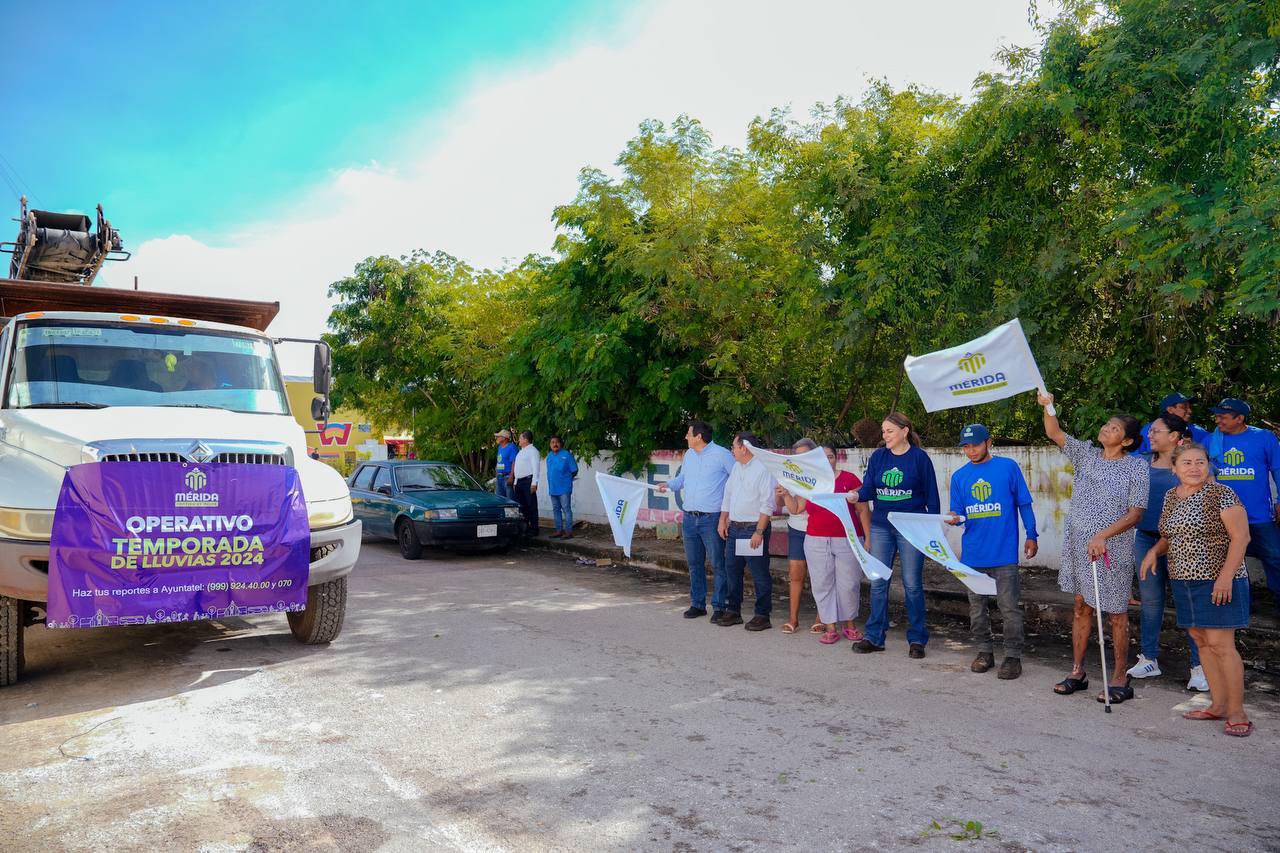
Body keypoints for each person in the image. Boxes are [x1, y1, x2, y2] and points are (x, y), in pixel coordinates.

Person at [1038, 391, 1148, 704]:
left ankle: (1119, 677)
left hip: (1113, 549)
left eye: (1115, 429)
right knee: (1080, 606)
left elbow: (1136, 513)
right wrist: (1048, 405)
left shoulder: (1136, 468)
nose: (1106, 429)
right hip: (1078, 545)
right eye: (1107, 425)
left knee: (1116, 613)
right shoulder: (1086, 454)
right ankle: (1077, 672)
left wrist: (1103, 535)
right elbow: (1054, 432)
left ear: (1127, 441)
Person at [1142, 442, 1254, 736]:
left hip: (1218, 580)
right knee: (1201, 641)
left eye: (1200, 462)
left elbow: (1241, 537)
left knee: (1221, 645)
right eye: (1187, 463)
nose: (1194, 468)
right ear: (1174, 468)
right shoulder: (1171, 496)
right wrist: (1154, 551)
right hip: (1183, 579)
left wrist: (1225, 578)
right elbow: (1169, 536)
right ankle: (1218, 705)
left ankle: (1238, 712)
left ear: (1208, 465)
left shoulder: (1221, 494)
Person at [946, 424, 1038, 680]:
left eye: (975, 445)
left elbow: (1024, 504)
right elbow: (959, 514)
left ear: (988, 443)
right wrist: (954, 517)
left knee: (1009, 608)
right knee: (977, 609)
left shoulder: (1008, 467)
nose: (971, 451)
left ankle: (1012, 656)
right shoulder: (959, 477)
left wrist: (1032, 535)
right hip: (973, 555)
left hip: (1004, 553)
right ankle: (984, 652)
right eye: (966, 446)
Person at [1127, 413, 1206, 690]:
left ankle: (1199, 666)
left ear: (1174, 436)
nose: (1150, 435)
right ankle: (1149, 658)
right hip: (1146, 538)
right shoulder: (1140, 462)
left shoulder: (1189, 464)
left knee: (1187, 603)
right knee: (1150, 602)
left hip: (1182, 541)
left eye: (1156, 431)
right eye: (1150, 431)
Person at [853, 412, 940, 658]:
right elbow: (868, 488)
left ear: (905, 431)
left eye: (889, 431)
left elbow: (932, 498)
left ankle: (917, 640)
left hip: (912, 527)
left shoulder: (920, 459)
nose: (885, 435)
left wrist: (933, 531)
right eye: (883, 431)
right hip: (881, 526)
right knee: (878, 582)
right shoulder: (878, 457)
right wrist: (856, 495)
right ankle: (874, 637)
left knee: (912, 584)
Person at [782, 445, 864, 644]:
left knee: (849, 584)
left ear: (836, 458)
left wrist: (868, 538)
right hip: (816, 540)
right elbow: (797, 508)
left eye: (830, 456)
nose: (827, 460)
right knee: (822, 584)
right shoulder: (809, 481)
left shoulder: (850, 479)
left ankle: (849, 625)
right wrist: (785, 494)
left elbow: (863, 510)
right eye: (822, 457)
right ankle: (830, 628)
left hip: (847, 539)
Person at [1206, 398, 1280, 612]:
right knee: (1231, 562)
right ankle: (1241, 608)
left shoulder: (1264, 437)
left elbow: (1278, 470)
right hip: (1222, 516)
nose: (1218, 420)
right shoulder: (1211, 440)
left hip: (1258, 515)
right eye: (1217, 416)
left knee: (1275, 557)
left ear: (1240, 418)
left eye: (1223, 417)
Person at [658, 421, 735, 620]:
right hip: (690, 518)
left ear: (699, 436)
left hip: (712, 518)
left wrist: (728, 514)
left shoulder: (722, 455)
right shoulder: (689, 455)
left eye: (689, 433)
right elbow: (681, 480)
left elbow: (737, 480)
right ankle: (698, 604)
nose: (686, 437)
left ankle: (720, 607)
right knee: (694, 564)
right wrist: (668, 484)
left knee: (718, 564)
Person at [717, 432, 778, 631]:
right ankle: (733, 610)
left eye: (734, 446)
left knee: (759, 574)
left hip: (753, 528)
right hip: (734, 528)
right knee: (732, 571)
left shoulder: (763, 469)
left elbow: (767, 504)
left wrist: (759, 532)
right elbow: (728, 495)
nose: (732, 450)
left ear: (744, 448)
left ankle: (762, 615)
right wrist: (723, 520)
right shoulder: (737, 467)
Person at [776, 438, 821, 635]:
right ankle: (793, 619)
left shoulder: (819, 475)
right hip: (796, 529)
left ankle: (821, 618)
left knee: (820, 577)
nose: (800, 459)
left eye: (804, 455)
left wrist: (788, 495)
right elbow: (780, 505)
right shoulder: (788, 475)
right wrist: (781, 491)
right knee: (795, 575)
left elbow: (797, 507)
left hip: (818, 530)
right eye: (797, 456)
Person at [1132, 393, 1211, 454]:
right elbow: (1137, 454)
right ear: (1170, 410)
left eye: (1190, 407)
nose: (1190, 411)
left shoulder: (1199, 431)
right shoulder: (1148, 428)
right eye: (1184, 407)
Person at [545, 435, 579, 539]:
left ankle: (569, 532)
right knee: (556, 510)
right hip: (553, 488)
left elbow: (574, 470)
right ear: (550, 445)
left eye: (557, 442)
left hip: (564, 488)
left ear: (560, 444)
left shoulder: (567, 455)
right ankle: (559, 531)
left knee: (566, 509)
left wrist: (566, 479)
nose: (555, 444)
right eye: (552, 442)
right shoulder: (549, 456)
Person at [512, 430, 541, 538]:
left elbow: (536, 468)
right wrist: (515, 482)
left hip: (528, 481)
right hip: (519, 482)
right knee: (522, 506)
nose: (519, 440)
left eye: (520, 438)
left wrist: (534, 483)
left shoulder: (533, 451)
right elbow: (517, 468)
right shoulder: (521, 452)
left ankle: (534, 529)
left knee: (531, 505)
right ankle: (525, 528)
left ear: (525, 439)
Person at [493, 430, 518, 500]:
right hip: (499, 477)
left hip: (507, 477)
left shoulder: (512, 447)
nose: (497, 438)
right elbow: (499, 461)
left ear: (504, 438)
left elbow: (514, 462)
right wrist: (496, 473)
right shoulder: (499, 447)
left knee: (510, 500)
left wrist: (511, 476)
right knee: (500, 500)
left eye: (499, 436)